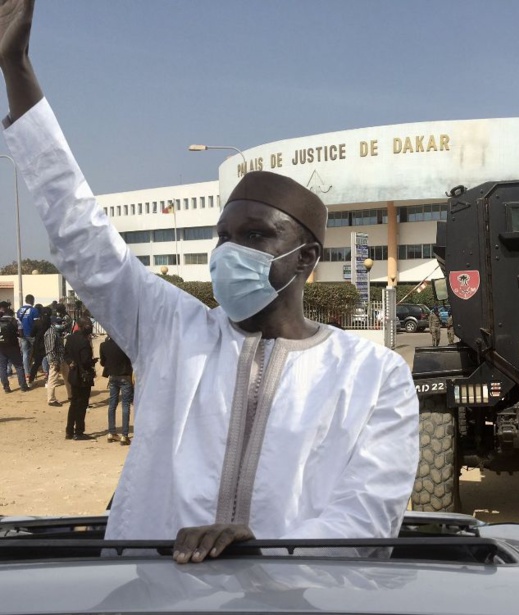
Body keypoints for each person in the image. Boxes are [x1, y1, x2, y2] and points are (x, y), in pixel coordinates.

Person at [0, 0, 418, 565]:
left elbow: (368, 516)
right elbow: (81, 233)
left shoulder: (373, 375)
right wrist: (16, 67)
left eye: (253, 236)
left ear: (305, 258)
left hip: (295, 600)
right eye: (222, 235)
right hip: (151, 593)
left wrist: (267, 549)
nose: (227, 251)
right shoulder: (173, 328)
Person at [63, 317, 96, 441]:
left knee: (74, 404)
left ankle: (69, 431)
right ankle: (79, 432)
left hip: (73, 374)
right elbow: (85, 360)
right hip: (83, 376)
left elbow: (66, 354)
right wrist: (92, 362)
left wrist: (71, 362)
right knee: (82, 405)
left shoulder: (70, 338)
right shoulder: (84, 342)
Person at [99, 335, 133, 445]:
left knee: (112, 404)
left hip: (112, 377)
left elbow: (103, 363)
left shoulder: (104, 345)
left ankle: (111, 432)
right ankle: (124, 435)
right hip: (125, 376)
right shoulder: (125, 345)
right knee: (125, 405)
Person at [0, 304, 29, 393]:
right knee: (19, 366)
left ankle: (6, 387)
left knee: (2, 367)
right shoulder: (16, 321)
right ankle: (23, 386)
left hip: (1, 346)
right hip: (13, 346)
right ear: (12, 314)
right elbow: (21, 334)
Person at [44, 311, 70, 406]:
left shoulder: (57, 332)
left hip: (61, 359)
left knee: (68, 378)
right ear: (53, 323)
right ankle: (51, 400)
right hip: (55, 361)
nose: (61, 324)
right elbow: (50, 350)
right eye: (59, 323)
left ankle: (71, 395)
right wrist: (55, 363)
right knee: (52, 380)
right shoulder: (51, 333)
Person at [15, 293, 39, 380]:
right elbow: (36, 324)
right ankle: (34, 372)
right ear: (32, 301)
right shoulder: (34, 310)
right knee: (36, 353)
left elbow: (18, 324)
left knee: (25, 353)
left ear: (25, 300)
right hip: (32, 335)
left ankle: (27, 373)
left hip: (22, 335)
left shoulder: (19, 310)